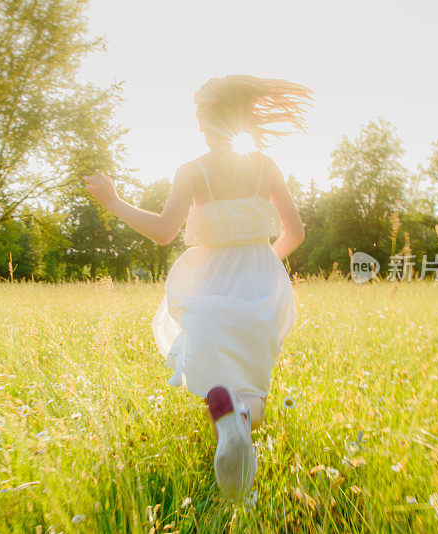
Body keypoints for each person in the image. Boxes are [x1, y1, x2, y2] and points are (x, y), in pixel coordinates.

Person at [83, 74, 310, 501]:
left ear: (207, 121)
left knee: (216, 378)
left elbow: (164, 232)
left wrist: (113, 201)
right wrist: (261, 269)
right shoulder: (266, 167)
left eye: (199, 118)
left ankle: (234, 463)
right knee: (252, 387)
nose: (198, 127)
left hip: (207, 290)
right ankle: (241, 423)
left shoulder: (193, 171)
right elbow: (295, 232)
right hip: (260, 288)